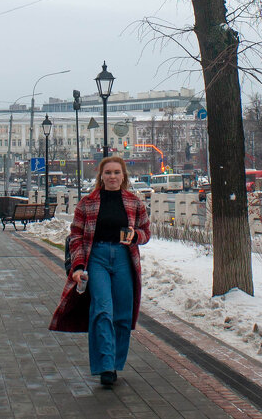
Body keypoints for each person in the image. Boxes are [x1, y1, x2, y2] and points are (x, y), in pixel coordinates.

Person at [49, 156, 150, 387]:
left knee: (123, 315)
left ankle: (114, 362)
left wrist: (136, 236)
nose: (112, 177)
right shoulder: (88, 203)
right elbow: (76, 236)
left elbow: (146, 232)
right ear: (101, 176)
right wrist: (78, 266)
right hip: (98, 258)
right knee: (102, 310)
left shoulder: (134, 202)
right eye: (108, 173)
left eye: (116, 172)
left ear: (123, 176)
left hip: (124, 258)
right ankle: (105, 366)